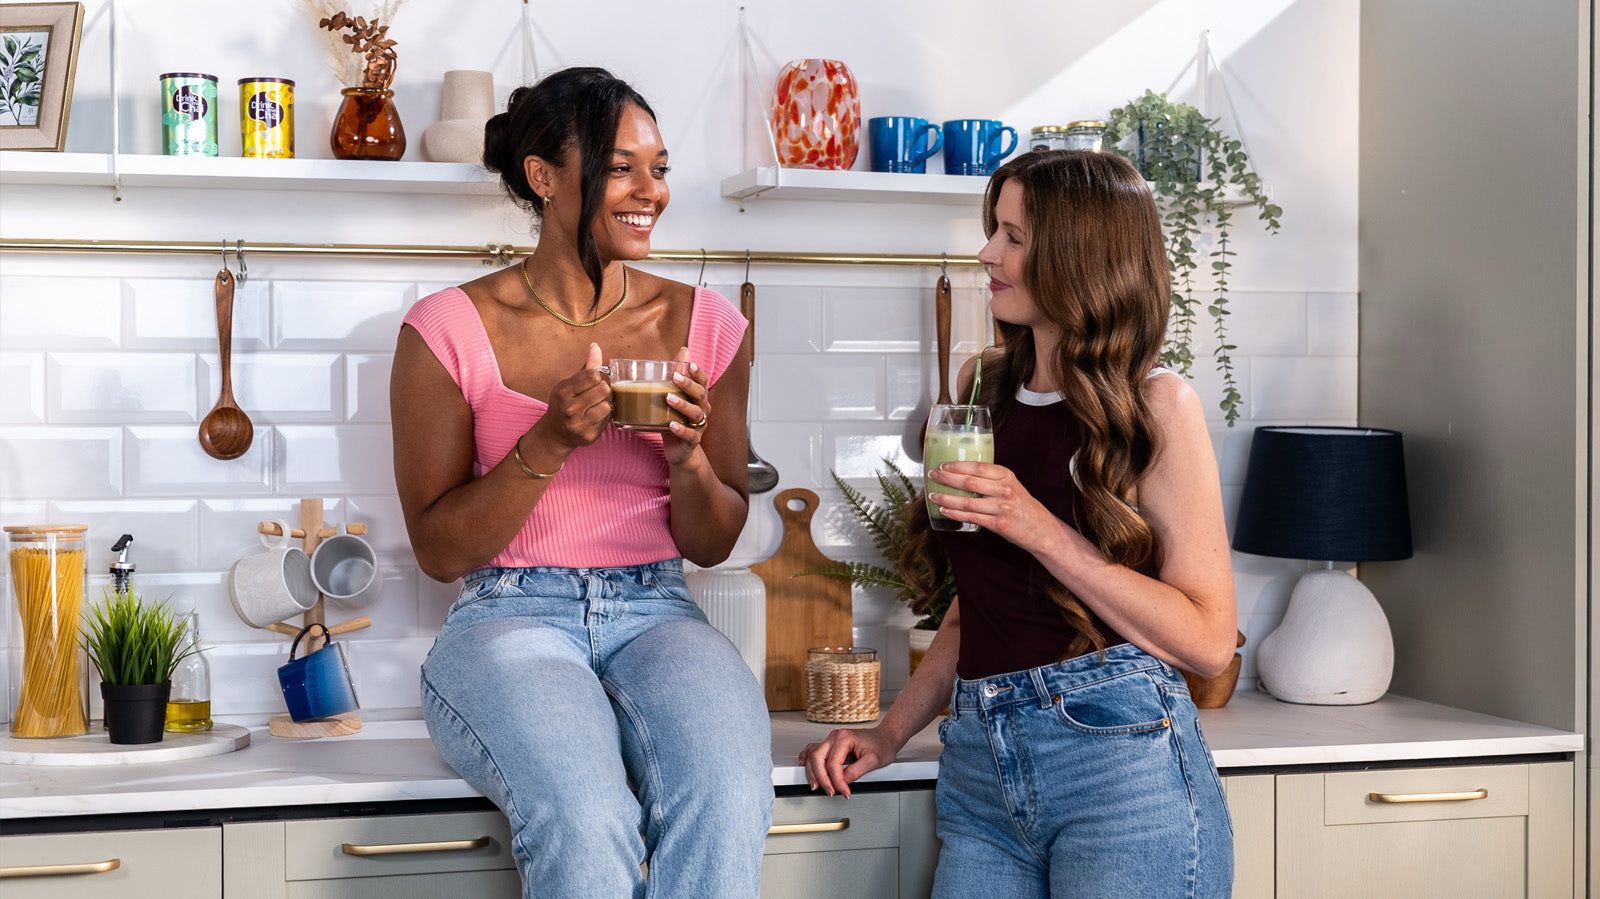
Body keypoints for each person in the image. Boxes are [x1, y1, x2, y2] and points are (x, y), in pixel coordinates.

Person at [800, 149, 1238, 898]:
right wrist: (889, 730)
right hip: (980, 768)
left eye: (1013, 237)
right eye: (993, 229)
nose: (986, 253)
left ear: (1079, 256)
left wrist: (1039, 527)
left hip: (1119, 765)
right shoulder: (982, 387)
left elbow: (1204, 640)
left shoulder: (1158, 405)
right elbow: (982, 604)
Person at [390, 67, 772, 898]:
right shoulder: (447, 329)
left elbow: (713, 540)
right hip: (506, 615)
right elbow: (438, 549)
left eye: (660, 167)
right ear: (544, 175)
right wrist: (551, 437)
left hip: (658, 607)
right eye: (621, 166)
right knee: (585, 813)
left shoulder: (710, 326)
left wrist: (687, 455)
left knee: (732, 792)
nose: (650, 191)